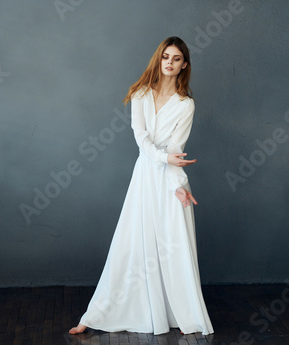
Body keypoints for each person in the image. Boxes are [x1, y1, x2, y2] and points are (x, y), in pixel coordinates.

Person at [69, 36, 214, 336]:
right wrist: (165, 158)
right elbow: (141, 140)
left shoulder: (186, 104)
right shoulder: (141, 94)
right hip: (146, 176)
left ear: (184, 64)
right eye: (165, 57)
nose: (170, 63)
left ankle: (176, 312)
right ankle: (96, 315)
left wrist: (178, 186)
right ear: (158, 60)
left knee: (173, 246)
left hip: (168, 178)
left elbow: (178, 148)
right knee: (130, 244)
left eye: (176, 58)